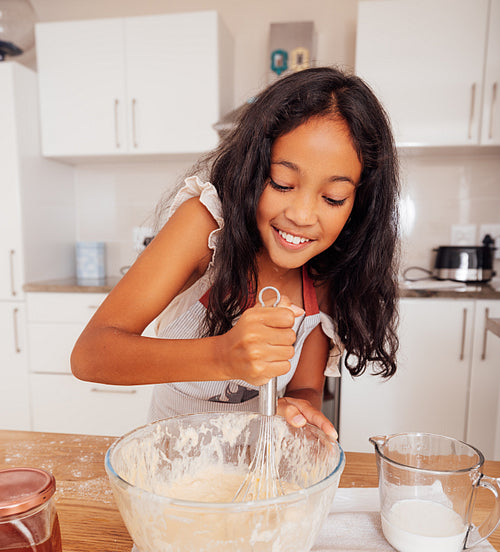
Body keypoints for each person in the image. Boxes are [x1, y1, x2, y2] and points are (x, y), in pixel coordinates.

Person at [70, 66, 400, 438]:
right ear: (253, 169)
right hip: (171, 468)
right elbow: (91, 355)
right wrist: (223, 356)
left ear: (359, 202)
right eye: (282, 183)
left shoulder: (324, 273)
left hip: (255, 478)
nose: (302, 216)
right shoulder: (207, 227)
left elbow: (304, 388)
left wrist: (299, 406)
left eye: (332, 198)